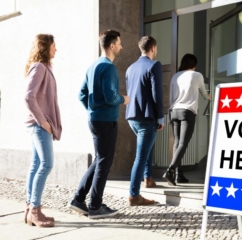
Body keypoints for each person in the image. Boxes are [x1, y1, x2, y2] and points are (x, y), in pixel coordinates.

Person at [68, 30, 129, 219]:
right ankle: (95, 207)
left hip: (94, 119)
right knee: (104, 162)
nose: (121, 46)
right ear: (111, 46)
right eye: (119, 43)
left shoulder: (92, 66)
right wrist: (123, 99)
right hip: (106, 120)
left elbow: (81, 95)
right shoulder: (108, 67)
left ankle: (79, 200)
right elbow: (111, 97)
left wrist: (92, 109)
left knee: (99, 160)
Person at [24, 34, 62, 227]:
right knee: (46, 164)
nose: (56, 49)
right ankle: (35, 210)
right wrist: (44, 122)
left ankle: (30, 209)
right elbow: (28, 97)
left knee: (36, 164)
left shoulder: (45, 67)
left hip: (37, 124)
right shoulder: (39, 67)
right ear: (46, 47)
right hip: (39, 125)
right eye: (54, 46)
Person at [125, 36, 164, 206]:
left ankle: (148, 178)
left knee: (148, 146)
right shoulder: (154, 65)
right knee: (141, 156)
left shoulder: (130, 68)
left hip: (132, 116)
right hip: (147, 116)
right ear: (153, 48)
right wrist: (160, 116)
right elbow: (157, 94)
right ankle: (134, 195)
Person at [163, 53, 211, 186]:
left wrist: (169, 115)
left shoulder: (175, 77)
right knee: (183, 143)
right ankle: (171, 170)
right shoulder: (197, 75)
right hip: (187, 111)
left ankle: (179, 174)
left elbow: (171, 98)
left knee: (177, 143)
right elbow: (204, 94)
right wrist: (210, 96)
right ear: (193, 65)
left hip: (174, 111)